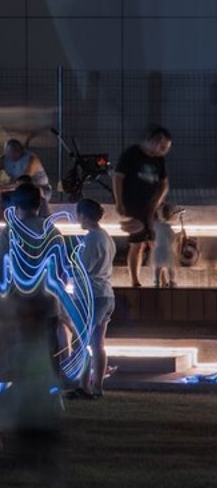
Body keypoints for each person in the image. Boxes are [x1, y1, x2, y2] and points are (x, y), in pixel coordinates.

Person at [112, 127, 171, 287]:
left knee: (157, 244)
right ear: (156, 141)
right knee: (137, 244)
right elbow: (118, 178)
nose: (164, 152)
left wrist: (157, 202)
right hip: (133, 205)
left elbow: (164, 184)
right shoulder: (132, 154)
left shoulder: (159, 160)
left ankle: (163, 279)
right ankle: (135, 281)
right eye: (163, 147)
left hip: (151, 207)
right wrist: (119, 202)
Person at [72, 199, 116, 398]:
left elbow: (83, 269)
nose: (76, 218)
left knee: (82, 342)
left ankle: (83, 386)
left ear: (84, 216)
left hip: (91, 296)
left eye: (78, 214)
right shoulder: (105, 236)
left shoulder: (92, 239)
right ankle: (97, 386)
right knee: (98, 344)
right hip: (105, 294)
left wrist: (66, 270)